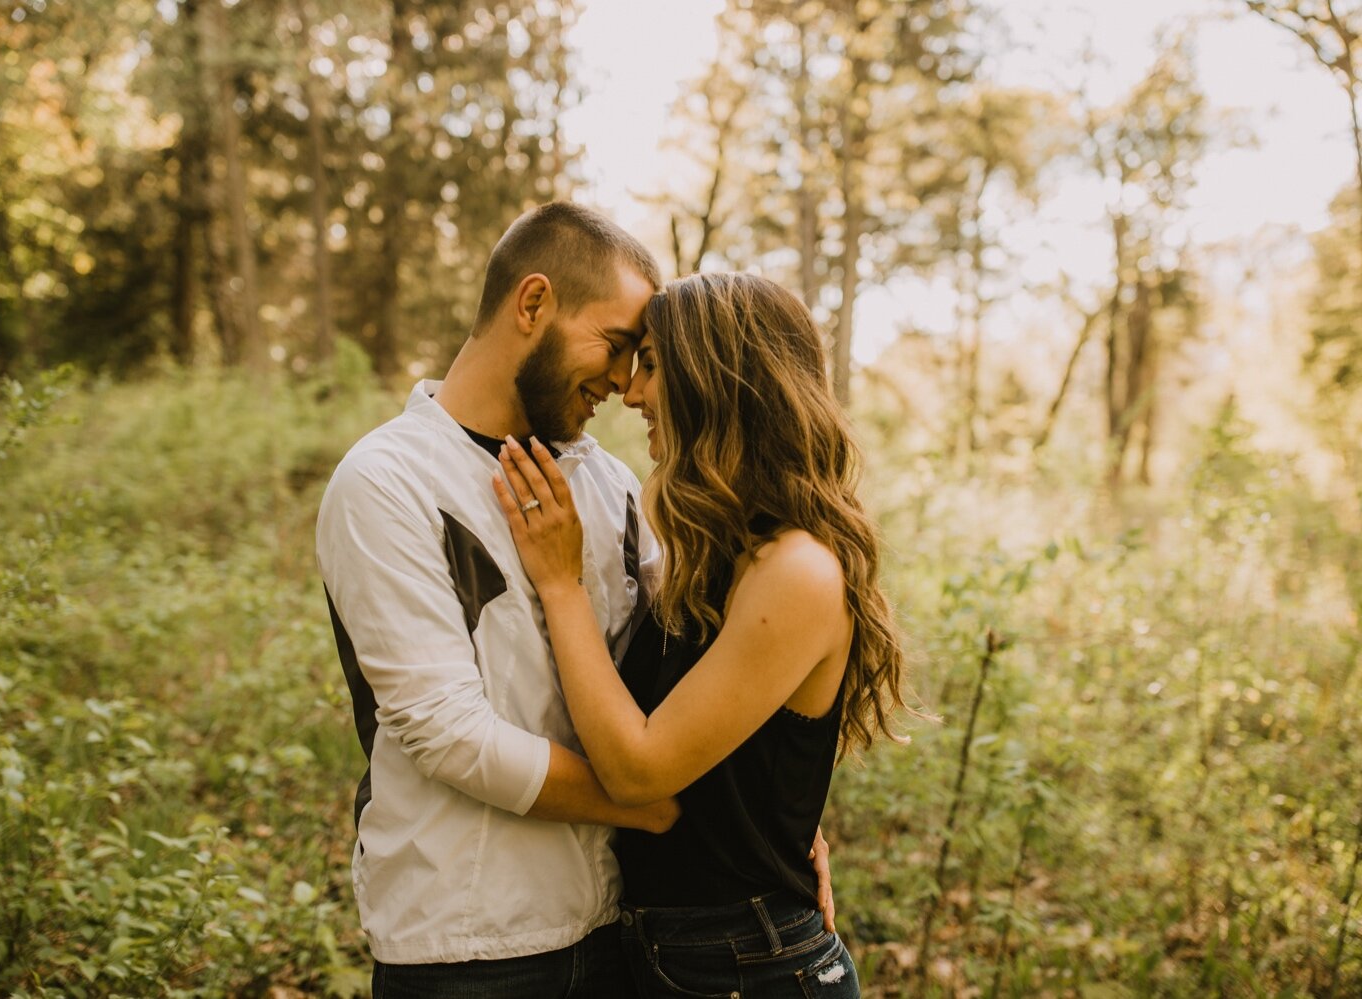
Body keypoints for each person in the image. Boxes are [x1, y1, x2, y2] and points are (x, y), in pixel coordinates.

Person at [493, 271, 918, 997]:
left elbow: (639, 770)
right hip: (683, 954)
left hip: (750, 964)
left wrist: (559, 584)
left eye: (652, 364)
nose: (631, 392)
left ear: (717, 379)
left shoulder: (799, 570)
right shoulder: (715, 547)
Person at [316, 202, 675, 997]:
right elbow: (447, 734)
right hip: (468, 951)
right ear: (533, 303)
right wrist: (650, 805)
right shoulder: (385, 481)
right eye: (615, 346)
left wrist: (770, 826)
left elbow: (686, 671)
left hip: (621, 930)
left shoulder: (611, 485)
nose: (624, 382)